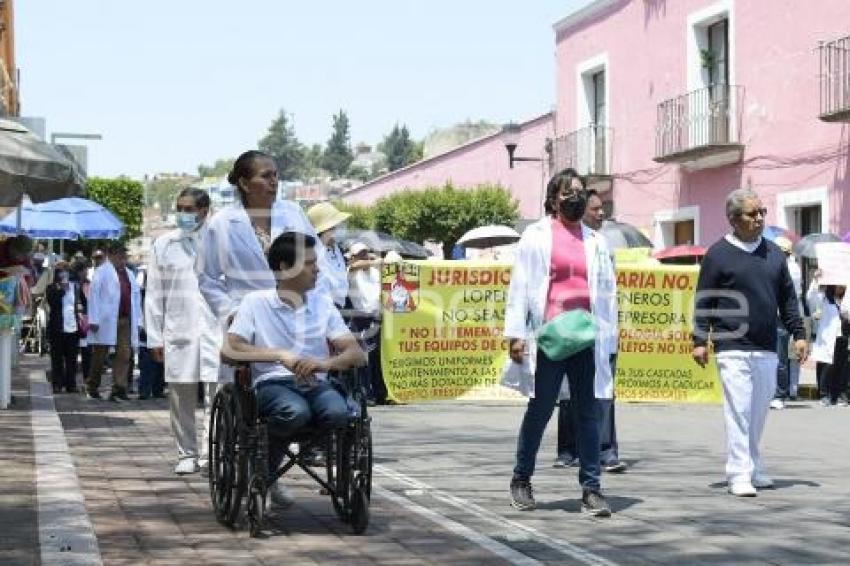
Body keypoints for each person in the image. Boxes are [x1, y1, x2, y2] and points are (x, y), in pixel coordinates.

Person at [504, 169, 618, 516]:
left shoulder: (596, 239)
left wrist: (609, 338)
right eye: (568, 192)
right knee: (540, 408)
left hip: (585, 336)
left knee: (588, 413)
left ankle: (591, 488)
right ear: (554, 198)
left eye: (580, 192)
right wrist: (516, 333)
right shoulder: (536, 236)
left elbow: (608, 292)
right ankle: (521, 479)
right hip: (550, 337)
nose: (576, 197)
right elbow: (521, 286)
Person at [226, 232, 366, 511]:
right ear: (283, 267)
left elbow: (356, 354)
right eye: (309, 263)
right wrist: (279, 355)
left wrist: (324, 364)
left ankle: (327, 478)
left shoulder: (322, 303)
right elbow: (230, 350)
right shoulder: (256, 302)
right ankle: (263, 472)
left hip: (316, 383)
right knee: (295, 411)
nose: (317, 269)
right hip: (272, 383)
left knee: (339, 412)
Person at [693, 188, 807, 497]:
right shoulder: (718, 254)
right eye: (751, 214)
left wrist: (798, 334)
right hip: (732, 345)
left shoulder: (773, 253)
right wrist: (700, 339)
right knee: (739, 410)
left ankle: (753, 464)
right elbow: (705, 299)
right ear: (733, 219)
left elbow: (788, 298)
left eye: (761, 212)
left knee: (758, 411)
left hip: (767, 344)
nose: (758, 218)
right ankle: (738, 472)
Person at [146, 188, 221, 474]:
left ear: (204, 211)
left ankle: (210, 454)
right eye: (179, 208)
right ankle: (186, 454)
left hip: (216, 330)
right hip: (179, 329)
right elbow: (154, 294)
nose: (183, 214)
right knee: (181, 395)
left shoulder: (220, 242)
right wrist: (154, 336)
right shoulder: (164, 245)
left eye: (189, 209)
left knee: (217, 395)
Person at [199, 150, 319, 321]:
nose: (274, 182)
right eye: (265, 176)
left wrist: (319, 308)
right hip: (250, 320)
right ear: (244, 184)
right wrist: (230, 313)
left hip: (300, 314)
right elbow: (207, 278)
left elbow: (319, 262)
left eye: (276, 175)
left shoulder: (293, 213)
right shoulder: (223, 223)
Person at [554, 189, 625, 473]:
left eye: (602, 208)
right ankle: (568, 450)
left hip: (602, 329)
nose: (601, 213)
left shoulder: (603, 243)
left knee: (604, 390)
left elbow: (608, 289)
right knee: (569, 391)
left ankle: (606, 451)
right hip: (570, 327)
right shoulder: (562, 242)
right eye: (595, 209)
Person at [86, 242, 142, 402]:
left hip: (125, 319)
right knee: (100, 354)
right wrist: (93, 319)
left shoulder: (129, 274)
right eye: (119, 255)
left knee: (124, 354)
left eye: (124, 256)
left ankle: (119, 388)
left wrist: (138, 319)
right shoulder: (101, 272)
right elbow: (93, 296)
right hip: (105, 320)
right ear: (110, 255)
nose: (122, 259)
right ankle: (92, 386)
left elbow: (136, 298)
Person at [347, 242, 386, 404]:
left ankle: (379, 393)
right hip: (361, 319)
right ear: (353, 257)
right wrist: (374, 260)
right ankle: (366, 393)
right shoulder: (351, 271)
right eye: (360, 253)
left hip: (376, 318)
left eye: (366, 252)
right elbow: (356, 265)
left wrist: (377, 260)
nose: (364, 255)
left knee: (378, 358)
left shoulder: (375, 272)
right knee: (366, 357)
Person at [806, 270, 850, 407]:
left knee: (841, 367)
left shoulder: (846, 300)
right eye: (838, 285)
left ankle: (839, 395)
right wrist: (815, 280)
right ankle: (824, 394)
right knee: (826, 367)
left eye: (843, 286)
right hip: (828, 338)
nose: (841, 288)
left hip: (843, 337)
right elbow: (810, 298)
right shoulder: (824, 299)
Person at [770, 237, 803, 409]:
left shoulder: (792, 269)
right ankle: (770, 392)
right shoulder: (774, 265)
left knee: (780, 358)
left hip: (781, 318)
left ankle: (779, 394)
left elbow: (789, 296)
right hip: (767, 315)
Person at [306, 202, 351, 309]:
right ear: (324, 229)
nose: (341, 227)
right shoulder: (312, 255)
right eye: (336, 225)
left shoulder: (337, 249)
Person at [46, 263, 82, 393]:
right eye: (60, 271)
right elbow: (53, 303)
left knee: (72, 359)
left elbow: (81, 303)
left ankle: (71, 384)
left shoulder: (76, 287)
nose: (63, 274)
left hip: (72, 328)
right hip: (57, 328)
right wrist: (62, 289)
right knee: (57, 358)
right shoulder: (51, 288)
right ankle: (57, 384)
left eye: (66, 270)